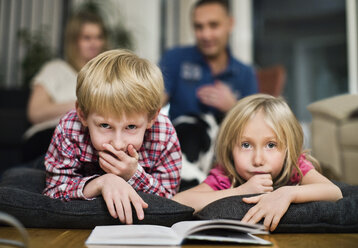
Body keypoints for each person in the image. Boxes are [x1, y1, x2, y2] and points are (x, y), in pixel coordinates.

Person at [43, 49, 182, 225]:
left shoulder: (164, 132)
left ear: (151, 118)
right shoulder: (70, 127)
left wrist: (133, 174)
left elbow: (170, 200)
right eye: (105, 125)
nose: (117, 144)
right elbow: (53, 192)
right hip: (65, 161)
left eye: (131, 127)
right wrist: (101, 183)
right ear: (83, 115)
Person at [173, 94, 343, 231]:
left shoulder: (294, 165)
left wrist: (286, 194)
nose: (258, 160)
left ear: (288, 148)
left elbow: (334, 192)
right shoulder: (226, 173)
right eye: (246, 145)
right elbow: (179, 202)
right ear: (230, 148)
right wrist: (240, 191)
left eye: (271, 145)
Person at [23, 11, 108, 162]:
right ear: (74, 41)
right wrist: (81, 105)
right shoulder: (54, 69)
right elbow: (35, 112)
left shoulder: (107, 75)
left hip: (92, 138)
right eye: (87, 38)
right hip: (49, 135)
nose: (94, 43)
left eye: (98, 37)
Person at [159, 0, 258, 122]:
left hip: (225, 141)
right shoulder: (175, 58)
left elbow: (254, 126)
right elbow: (153, 106)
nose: (206, 35)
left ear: (230, 24)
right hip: (180, 139)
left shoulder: (245, 73)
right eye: (199, 27)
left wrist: (233, 108)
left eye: (214, 25)